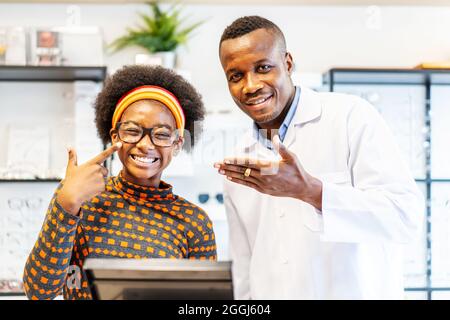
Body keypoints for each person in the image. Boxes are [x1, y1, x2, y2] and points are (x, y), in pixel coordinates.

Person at [214, 16, 424, 299]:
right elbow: (245, 268)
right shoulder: (239, 162)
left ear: (287, 63)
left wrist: (312, 192)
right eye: (235, 76)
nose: (250, 86)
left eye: (263, 68)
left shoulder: (351, 118)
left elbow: (405, 217)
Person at [23, 65, 217, 300]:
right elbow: (38, 291)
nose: (146, 144)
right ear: (115, 137)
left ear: (177, 144)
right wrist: (65, 204)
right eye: (133, 131)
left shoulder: (194, 222)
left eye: (162, 134)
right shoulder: (80, 198)